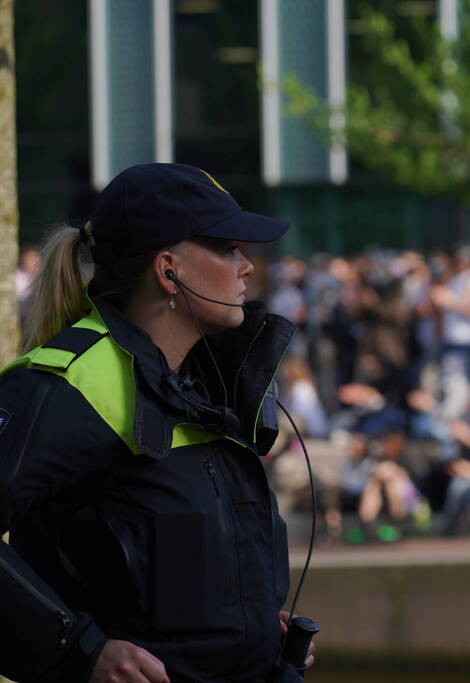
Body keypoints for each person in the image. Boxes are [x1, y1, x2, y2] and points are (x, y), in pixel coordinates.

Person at [0, 164, 314, 682]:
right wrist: (81, 651)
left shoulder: (208, 384)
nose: (247, 266)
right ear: (169, 269)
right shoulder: (65, 384)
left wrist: (253, 629)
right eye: (228, 248)